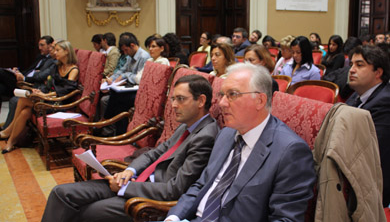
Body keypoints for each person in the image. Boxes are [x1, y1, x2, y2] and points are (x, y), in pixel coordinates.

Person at [41, 75, 220, 222]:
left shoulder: (206, 136)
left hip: (148, 196)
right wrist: (129, 171)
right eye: (173, 99)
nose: (173, 105)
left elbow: (175, 189)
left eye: (180, 99)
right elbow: (155, 153)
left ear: (201, 101)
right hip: (134, 180)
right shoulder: (186, 125)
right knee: (61, 193)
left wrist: (125, 189)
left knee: (87, 213)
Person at [165, 63, 316, 221]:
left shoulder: (290, 151)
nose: (222, 103)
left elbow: (286, 219)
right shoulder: (226, 134)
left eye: (232, 94)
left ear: (259, 100)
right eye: (222, 95)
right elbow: (201, 185)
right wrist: (174, 217)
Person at [0, 40, 79, 153]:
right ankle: (11, 142)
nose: (55, 52)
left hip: (60, 104)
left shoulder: (73, 69)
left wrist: (45, 95)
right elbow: (49, 84)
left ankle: (8, 131)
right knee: (25, 112)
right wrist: (40, 91)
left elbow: (65, 91)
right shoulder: (57, 67)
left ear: (66, 51)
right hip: (49, 99)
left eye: (57, 50)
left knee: (23, 99)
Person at [345, 45, 390, 207]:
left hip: (372, 186)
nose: (351, 70)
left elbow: (370, 149)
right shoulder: (356, 96)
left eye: (359, 65)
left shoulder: (385, 102)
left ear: (378, 73)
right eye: (351, 64)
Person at [0, 35, 54, 104]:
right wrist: (18, 72)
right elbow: (29, 70)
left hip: (28, 83)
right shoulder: (40, 57)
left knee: (1, 72)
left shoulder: (52, 60)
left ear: (49, 46)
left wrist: (24, 78)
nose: (39, 48)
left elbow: (40, 76)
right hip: (21, 78)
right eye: (39, 45)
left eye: (42, 45)